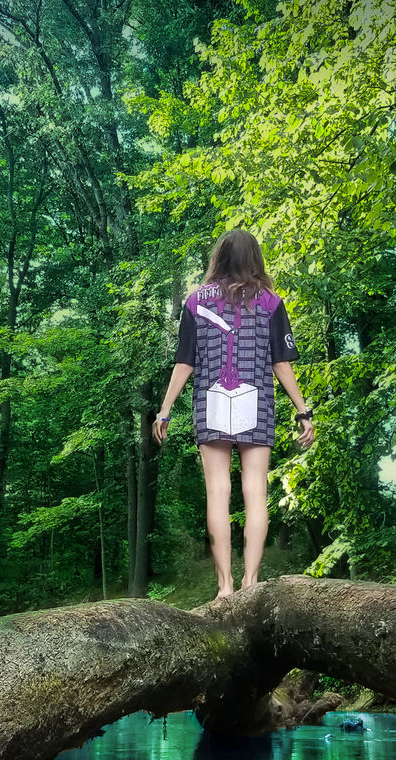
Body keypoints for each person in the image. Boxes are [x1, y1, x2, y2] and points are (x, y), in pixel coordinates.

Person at [152, 229, 314, 599]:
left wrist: (164, 412)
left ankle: (224, 586)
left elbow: (184, 362)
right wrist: (303, 411)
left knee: (217, 492)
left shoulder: (195, 302)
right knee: (255, 491)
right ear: (254, 258)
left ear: (219, 257)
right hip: (256, 402)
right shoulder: (271, 302)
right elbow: (281, 364)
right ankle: (250, 583)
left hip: (210, 403)